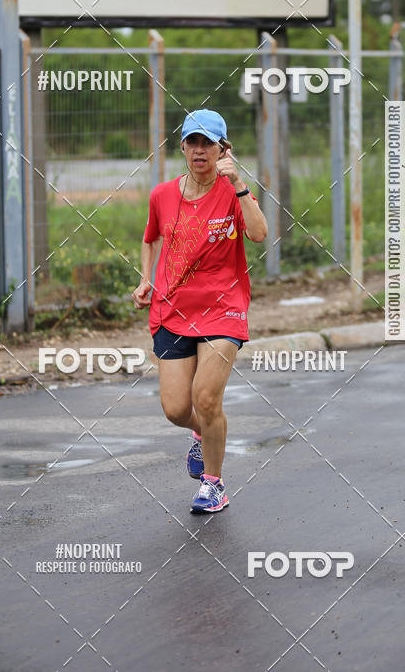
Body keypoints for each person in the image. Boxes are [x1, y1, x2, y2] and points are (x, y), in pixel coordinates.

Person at [132, 109, 268, 513]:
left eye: (208, 143)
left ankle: (214, 485)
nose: (199, 150)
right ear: (183, 147)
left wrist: (239, 183)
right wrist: (146, 280)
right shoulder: (162, 195)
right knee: (177, 408)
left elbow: (259, 234)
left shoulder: (233, 192)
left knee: (205, 397)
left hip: (224, 309)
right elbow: (150, 238)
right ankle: (201, 433)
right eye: (193, 141)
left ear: (224, 149)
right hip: (172, 309)